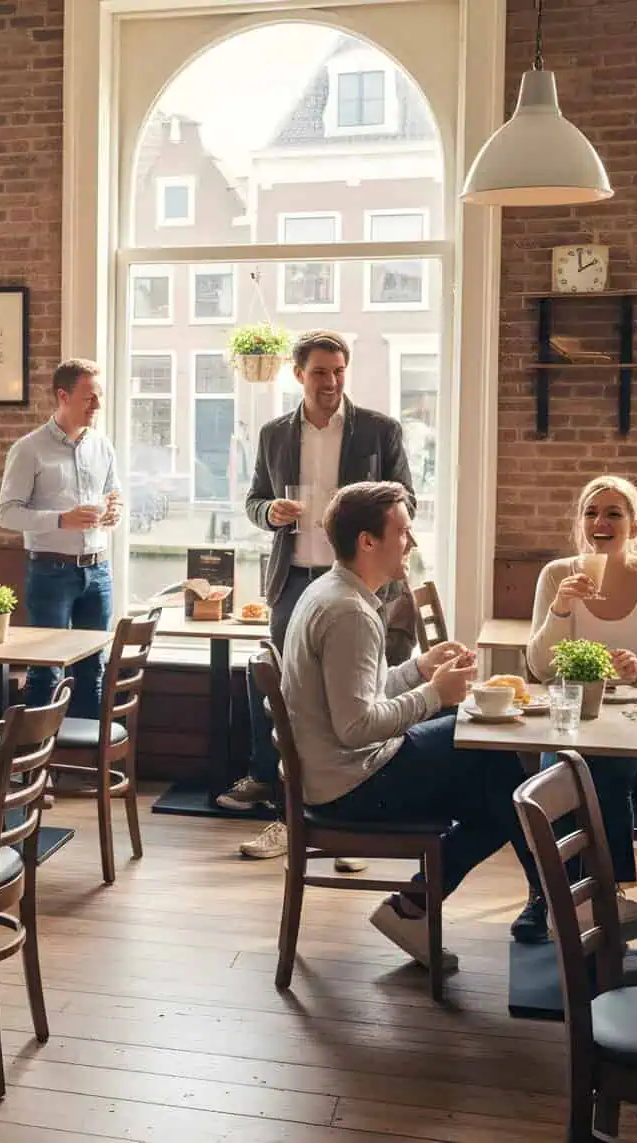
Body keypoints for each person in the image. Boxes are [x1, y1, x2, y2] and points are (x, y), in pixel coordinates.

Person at [278, 480, 524, 971]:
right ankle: (557, 903)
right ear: (368, 541)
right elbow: (356, 726)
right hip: (350, 786)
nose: (410, 542)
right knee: (503, 779)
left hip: (335, 773)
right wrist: (435, 695)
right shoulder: (350, 612)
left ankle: (417, 908)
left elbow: (357, 694)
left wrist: (419, 670)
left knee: (497, 782)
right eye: (404, 532)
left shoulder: (329, 591)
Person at [230, 329, 417, 863]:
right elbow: (253, 501)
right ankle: (286, 815)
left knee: (361, 698)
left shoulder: (379, 431)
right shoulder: (273, 435)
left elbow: (408, 503)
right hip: (295, 577)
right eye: (320, 372)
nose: (331, 381)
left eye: (338, 371)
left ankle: (354, 820)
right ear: (298, 375)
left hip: (360, 582)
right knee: (289, 700)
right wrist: (270, 513)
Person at [522, 476, 637, 924]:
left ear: (635, 525)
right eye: (591, 512)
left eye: (614, 513)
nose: (600, 522)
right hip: (574, 721)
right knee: (559, 773)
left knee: (598, 768)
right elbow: (542, 668)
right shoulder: (557, 575)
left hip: (636, 729)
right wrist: (560, 609)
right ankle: (553, 896)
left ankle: (602, 895)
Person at [0, 358, 120, 717]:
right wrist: (61, 520)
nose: (97, 406)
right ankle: (38, 766)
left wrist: (115, 512)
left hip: (99, 572)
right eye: (89, 398)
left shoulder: (102, 445)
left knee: (92, 669)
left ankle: (83, 767)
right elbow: (7, 513)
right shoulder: (28, 449)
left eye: (99, 397)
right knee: (46, 671)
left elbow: (115, 495)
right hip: (50, 572)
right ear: (63, 396)